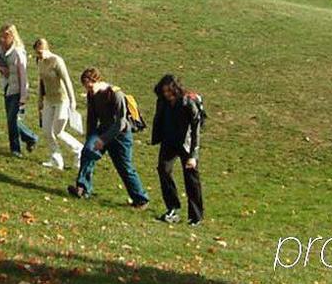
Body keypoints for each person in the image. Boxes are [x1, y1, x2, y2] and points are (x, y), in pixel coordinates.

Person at [68, 68, 148, 209]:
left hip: (120, 135)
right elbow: (92, 118)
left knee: (124, 167)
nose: (88, 89)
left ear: (97, 81)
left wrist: (103, 140)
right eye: (85, 86)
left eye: (90, 85)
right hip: (103, 130)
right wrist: (90, 139)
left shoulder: (115, 94)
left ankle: (140, 199)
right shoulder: (91, 95)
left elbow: (121, 123)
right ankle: (82, 188)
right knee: (88, 153)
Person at [151, 74, 205, 226]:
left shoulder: (188, 103)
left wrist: (193, 155)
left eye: (169, 91)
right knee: (163, 169)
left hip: (186, 144)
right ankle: (172, 208)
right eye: (164, 91)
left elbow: (196, 130)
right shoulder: (162, 102)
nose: (167, 94)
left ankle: (196, 216)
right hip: (169, 141)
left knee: (191, 178)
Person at [32, 38, 83, 171]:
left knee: (58, 131)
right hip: (49, 100)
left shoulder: (56, 61)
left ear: (47, 49)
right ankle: (56, 158)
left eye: (41, 52)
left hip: (62, 100)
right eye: (37, 53)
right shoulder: (39, 61)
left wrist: (73, 101)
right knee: (46, 130)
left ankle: (78, 150)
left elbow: (67, 81)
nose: (40, 55)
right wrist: (39, 100)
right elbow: (41, 82)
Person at [0, 25, 38, 157]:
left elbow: (23, 74)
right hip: (7, 87)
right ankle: (29, 139)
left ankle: (16, 149)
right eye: (1, 36)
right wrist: (1, 69)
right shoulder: (0, 50)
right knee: (11, 120)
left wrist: (23, 96)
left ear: (12, 37)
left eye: (5, 36)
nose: (2, 39)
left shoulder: (18, 53)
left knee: (12, 120)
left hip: (17, 90)